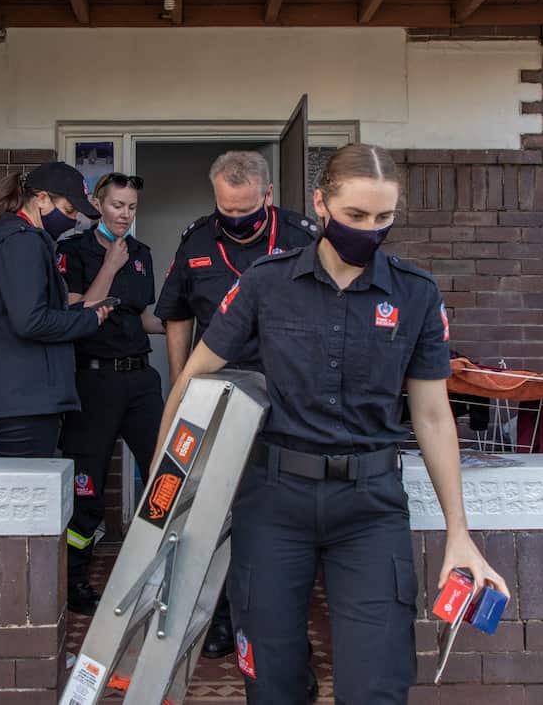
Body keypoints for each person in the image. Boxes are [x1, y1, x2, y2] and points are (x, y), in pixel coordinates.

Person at [155, 144, 508, 704]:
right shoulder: (266, 284)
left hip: (369, 507)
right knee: (272, 683)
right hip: (274, 500)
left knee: (377, 685)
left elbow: (434, 414)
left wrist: (458, 533)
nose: (370, 231)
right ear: (321, 204)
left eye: (384, 218)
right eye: (355, 217)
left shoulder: (414, 293)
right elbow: (192, 381)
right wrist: (162, 491)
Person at [154, 149, 319, 659]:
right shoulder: (197, 240)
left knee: (280, 510)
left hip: (289, 396)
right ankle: (222, 619)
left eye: (247, 213)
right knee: (217, 511)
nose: (237, 223)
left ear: (267, 196)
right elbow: (178, 313)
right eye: (227, 212)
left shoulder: (300, 237)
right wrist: (183, 385)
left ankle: (281, 627)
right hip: (220, 392)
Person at [56, 173, 166, 615]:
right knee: (87, 486)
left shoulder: (142, 255)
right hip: (94, 380)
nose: (124, 214)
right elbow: (79, 310)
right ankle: (75, 579)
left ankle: (163, 572)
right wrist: (111, 265)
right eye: (117, 205)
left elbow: (139, 317)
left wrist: (192, 325)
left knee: (163, 475)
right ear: (98, 205)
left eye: (131, 207)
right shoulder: (72, 250)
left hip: (140, 380)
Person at [0, 161, 112, 458]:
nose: (74, 219)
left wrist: (78, 314)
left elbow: (27, 313)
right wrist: (87, 320)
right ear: (41, 198)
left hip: (18, 396)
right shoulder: (22, 244)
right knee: (22, 498)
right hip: (23, 400)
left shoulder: (18, 241)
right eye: (68, 210)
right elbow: (31, 321)